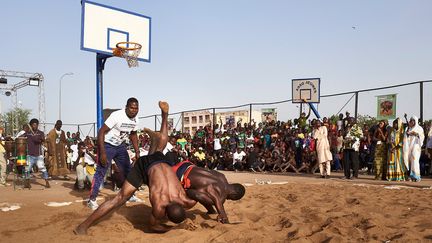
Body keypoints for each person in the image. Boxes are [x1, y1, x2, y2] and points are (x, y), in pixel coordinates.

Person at [74, 101, 196, 235]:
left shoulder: (187, 200)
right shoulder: (161, 206)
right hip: (143, 165)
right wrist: (175, 228)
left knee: (160, 148)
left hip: (159, 164)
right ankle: (82, 226)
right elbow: (153, 227)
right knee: (120, 198)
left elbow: (200, 194)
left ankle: (164, 117)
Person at [88, 97, 140, 210]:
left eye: (136, 108)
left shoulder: (136, 119)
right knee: (100, 173)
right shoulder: (117, 116)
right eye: (131, 108)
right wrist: (102, 153)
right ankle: (91, 199)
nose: (134, 110)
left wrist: (137, 151)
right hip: (107, 145)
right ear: (126, 107)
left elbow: (133, 135)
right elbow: (101, 131)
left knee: (128, 171)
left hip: (120, 146)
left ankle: (130, 195)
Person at [172, 160, 245, 223]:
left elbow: (210, 190)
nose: (228, 199)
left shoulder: (222, 176)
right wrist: (222, 213)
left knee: (205, 193)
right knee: (194, 199)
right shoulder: (221, 197)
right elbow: (197, 195)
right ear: (234, 195)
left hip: (187, 165)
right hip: (179, 176)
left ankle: (211, 210)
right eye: (231, 199)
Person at [25, 118, 50, 188]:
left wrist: (39, 139)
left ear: (38, 125)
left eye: (36, 125)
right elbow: (20, 138)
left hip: (38, 155)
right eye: (33, 125)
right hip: (30, 155)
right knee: (27, 169)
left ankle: (47, 182)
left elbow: (43, 139)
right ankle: (27, 183)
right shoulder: (28, 133)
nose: (34, 126)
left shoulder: (40, 133)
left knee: (42, 168)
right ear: (31, 125)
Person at [403, 116, 424, 182]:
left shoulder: (419, 128)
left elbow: (422, 137)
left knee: (415, 160)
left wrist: (416, 134)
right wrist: (407, 134)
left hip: (416, 146)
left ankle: (416, 176)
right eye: (411, 120)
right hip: (408, 147)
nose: (412, 121)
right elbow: (405, 137)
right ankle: (410, 175)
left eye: (413, 120)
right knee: (408, 160)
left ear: (415, 121)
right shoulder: (407, 128)